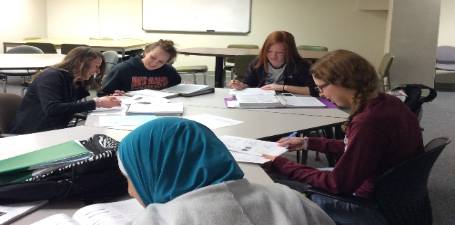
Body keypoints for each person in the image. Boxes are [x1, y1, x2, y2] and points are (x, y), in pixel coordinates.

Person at [264, 50, 424, 224]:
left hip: (367, 205)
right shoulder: (387, 102)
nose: (322, 94)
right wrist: (307, 142)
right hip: (391, 194)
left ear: (343, 82)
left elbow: (336, 185)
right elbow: (358, 148)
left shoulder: (369, 122)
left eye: (322, 87)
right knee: (290, 174)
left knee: (275, 187)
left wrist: (279, 161)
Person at [117, 117, 335, 225]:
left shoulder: (157, 221)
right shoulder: (288, 198)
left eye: (130, 177)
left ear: (155, 172)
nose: (129, 190)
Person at [9, 47, 120, 134]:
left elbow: (73, 104)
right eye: (96, 66)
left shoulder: (73, 79)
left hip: (53, 129)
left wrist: (105, 99)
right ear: (81, 64)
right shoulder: (51, 77)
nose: (98, 71)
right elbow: (52, 109)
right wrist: (97, 103)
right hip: (32, 132)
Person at [229, 31, 317, 96]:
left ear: (290, 52)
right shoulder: (258, 63)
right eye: (269, 51)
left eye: (279, 53)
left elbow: (314, 90)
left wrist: (282, 87)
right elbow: (249, 83)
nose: (273, 56)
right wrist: (241, 85)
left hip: (291, 104)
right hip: (263, 101)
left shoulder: (301, 65)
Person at [99, 39, 181, 96]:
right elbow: (102, 94)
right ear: (145, 52)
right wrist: (113, 95)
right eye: (152, 57)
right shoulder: (122, 69)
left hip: (160, 108)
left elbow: (177, 89)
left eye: (161, 62)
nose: (154, 63)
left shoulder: (169, 71)